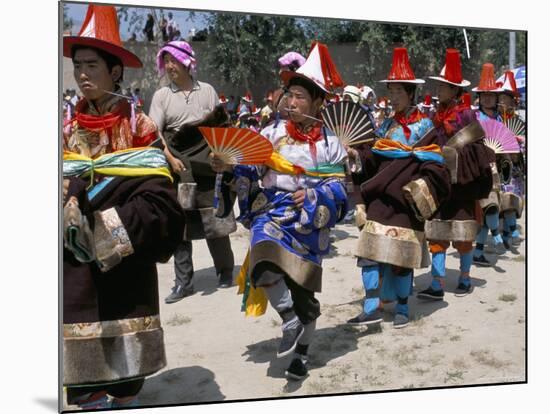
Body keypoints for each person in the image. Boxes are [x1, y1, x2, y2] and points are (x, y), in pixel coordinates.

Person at [62, 5, 184, 409]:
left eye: (92, 65)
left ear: (115, 71)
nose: (82, 74)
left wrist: (102, 226)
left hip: (124, 256)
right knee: (81, 379)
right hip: (73, 265)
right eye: (78, 65)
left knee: (125, 382)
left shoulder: (139, 127)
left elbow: (160, 203)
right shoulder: (64, 128)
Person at [212, 42, 348, 380]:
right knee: (262, 255)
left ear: (318, 101)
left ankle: (301, 353)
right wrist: (227, 165)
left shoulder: (331, 143)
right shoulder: (271, 132)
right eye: (290, 95)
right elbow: (247, 165)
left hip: (308, 225)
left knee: (306, 297)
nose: (292, 102)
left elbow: (340, 190)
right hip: (273, 213)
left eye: (301, 96)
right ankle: (287, 318)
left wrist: (315, 198)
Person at [348, 47, 451, 328]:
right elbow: (374, 156)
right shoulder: (386, 126)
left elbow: (436, 165)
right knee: (368, 252)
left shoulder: (426, 127)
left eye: (397, 92)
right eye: (390, 91)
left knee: (401, 260)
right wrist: (357, 155)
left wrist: (420, 186)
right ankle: (370, 306)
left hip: (407, 202)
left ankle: (403, 307)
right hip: (381, 200)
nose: (392, 97)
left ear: (411, 94)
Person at [149, 40, 236, 303]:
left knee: (215, 218)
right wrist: (171, 159)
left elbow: (220, 127)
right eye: (166, 61)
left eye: (173, 60)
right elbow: (153, 133)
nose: (169, 66)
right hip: (178, 164)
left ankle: (225, 271)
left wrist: (219, 155)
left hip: (207, 163)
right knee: (180, 225)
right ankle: (183, 283)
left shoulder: (207, 91)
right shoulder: (162, 95)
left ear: (186, 61)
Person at [417, 48, 494, 301]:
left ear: (455, 90)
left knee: (462, 236)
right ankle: (437, 284)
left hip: (462, 185)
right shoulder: (435, 115)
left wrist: (455, 155)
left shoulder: (467, 115)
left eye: (444, 87)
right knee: (437, 234)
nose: (439, 91)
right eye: (438, 87)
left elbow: (477, 148)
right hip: (441, 184)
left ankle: (464, 277)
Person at [472, 63, 505, 265]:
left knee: (487, 211)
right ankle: (497, 236)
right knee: (489, 205)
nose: (487, 98)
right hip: (480, 168)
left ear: (496, 98)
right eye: (484, 95)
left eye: (491, 95)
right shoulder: (475, 117)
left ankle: (478, 253)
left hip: (496, 168)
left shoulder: (501, 118)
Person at [497, 70, 525, 248]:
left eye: (505, 98)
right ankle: (507, 232)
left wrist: (518, 147)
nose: (501, 101)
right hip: (500, 167)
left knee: (512, 200)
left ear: (512, 100)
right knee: (503, 200)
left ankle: (509, 232)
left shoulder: (520, 121)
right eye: (499, 97)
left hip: (515, 168)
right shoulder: (495, 120)